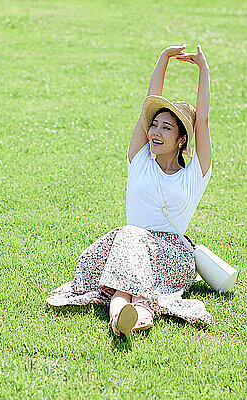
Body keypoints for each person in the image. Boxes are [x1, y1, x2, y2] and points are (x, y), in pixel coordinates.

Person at [46, 43, 213, 339]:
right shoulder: (139, 161)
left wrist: (204, 70)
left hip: (171, 254)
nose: (155, 133)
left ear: (182, 140)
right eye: (154, 126)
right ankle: (128, 316)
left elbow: (204, 120)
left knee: (129, 236)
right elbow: (149, 100)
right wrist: (163, 58)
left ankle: (131, 310)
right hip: (131, 250)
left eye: (166, 129)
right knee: (129, 239)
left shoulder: (194, 176)